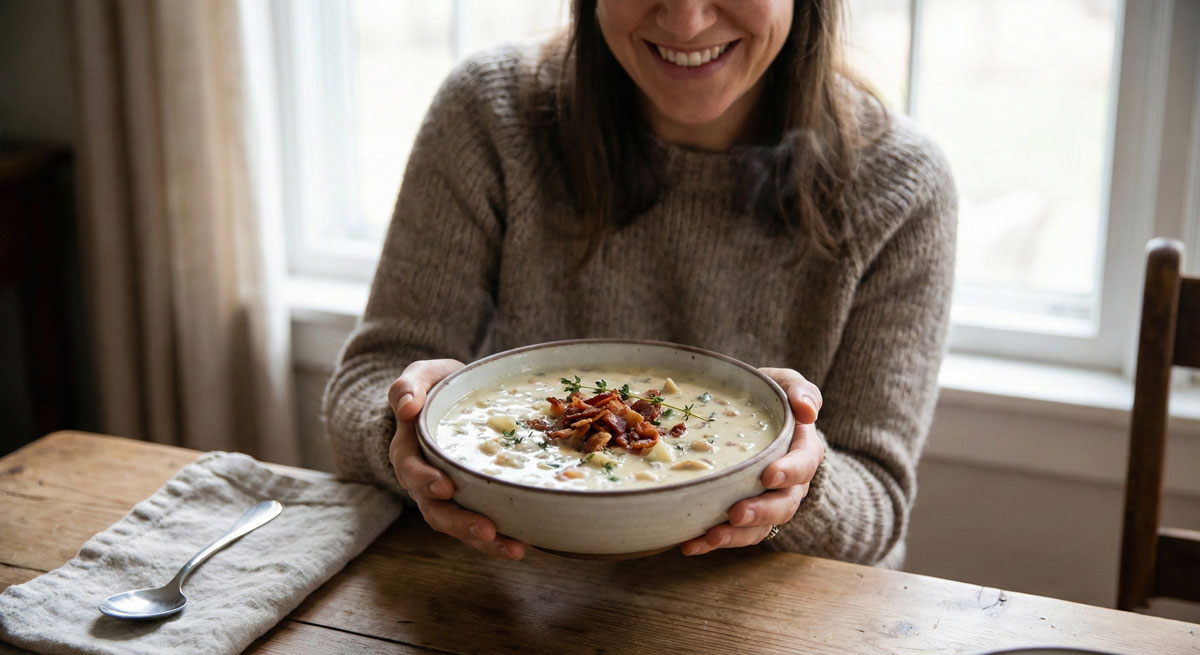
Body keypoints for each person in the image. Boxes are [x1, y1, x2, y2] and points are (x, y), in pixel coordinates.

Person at [323, 0, 956, 568]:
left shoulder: (898, 184)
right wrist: (405, 432)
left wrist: (793, 475)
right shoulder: (490, 115)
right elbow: (369, 380)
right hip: (508, 587)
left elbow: (876, 504)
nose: (686, 19)